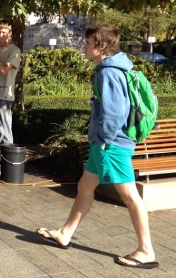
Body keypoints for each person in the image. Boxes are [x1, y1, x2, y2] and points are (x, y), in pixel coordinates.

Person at [37, 24, 158, 269]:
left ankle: (146, 250)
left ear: (101, 46)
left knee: (130, 196)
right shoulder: (109, 68)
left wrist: (103, 141)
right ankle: (66, 233)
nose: (84, 47)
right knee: (85, 186)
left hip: (112, 145)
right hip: (103, 143)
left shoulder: (108, 72)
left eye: (88, 43)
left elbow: (115, 113)